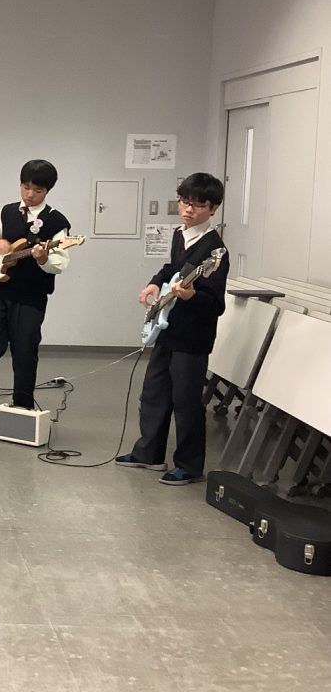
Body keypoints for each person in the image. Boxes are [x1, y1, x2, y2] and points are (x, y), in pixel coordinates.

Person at [116, 172, 229, 485]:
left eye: (198, 205)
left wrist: (192, 296)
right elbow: (172, 269)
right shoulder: (181, 235)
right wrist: (155, 283)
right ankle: (148, 453)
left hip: (193, 338)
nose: (188, 210)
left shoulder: (215, 250)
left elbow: (216, 304)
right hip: (168, 329)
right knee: (154, 393)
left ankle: (189, 465)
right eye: (184, 202)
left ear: (213, 208)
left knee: (186, 401)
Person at [0, 159, 72, 434]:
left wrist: (43, 257)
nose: (29, 194)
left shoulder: (57, 222)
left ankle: (22, 412)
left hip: (30, 297)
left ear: (47, 191)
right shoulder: (7, 211)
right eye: (25, 187)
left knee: (25, 353)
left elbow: (59, 264)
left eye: (37, 190)